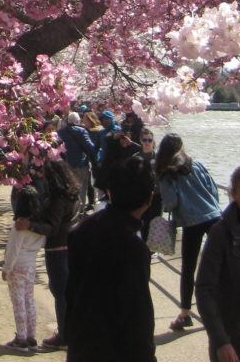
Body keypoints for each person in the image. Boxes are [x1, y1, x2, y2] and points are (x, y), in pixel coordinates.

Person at [65, 155, 156, 362]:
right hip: (114, 350)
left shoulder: (82, 231)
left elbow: (71, 293)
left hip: (81, 344)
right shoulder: (133, 247)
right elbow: (138, 315)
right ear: (150, 198)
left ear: (109, 192)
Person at [156, 132, 221, 331]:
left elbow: (170, 202)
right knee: (221, 263)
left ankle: (185, 314)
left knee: (189, 269)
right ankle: (223, 307)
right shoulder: (197, 165)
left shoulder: (167, 175)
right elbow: (213, 190)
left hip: (191, 223)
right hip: (214, 215)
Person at [15, 157, 79, 349]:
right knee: (67, 292)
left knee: (59, 292)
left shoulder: (57, 199)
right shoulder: (72, 194)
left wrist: (31, 225)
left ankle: (64, 335)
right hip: (70, 245)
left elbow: (52, 227)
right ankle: (69, 330)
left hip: (57, 248)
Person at [196, 164, 240, 362]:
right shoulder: (221, 233)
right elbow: (204, 289)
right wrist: (221, 341)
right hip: (233, 338)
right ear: (234, 194)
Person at [2, 185, 45, 353]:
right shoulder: (37, 227)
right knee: (29, 301)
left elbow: (13, 250)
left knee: (18, 302)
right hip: (31, 265)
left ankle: (21, 338)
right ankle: (31, 336)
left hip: (18, 266)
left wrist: (6, 268)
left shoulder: (19, 226)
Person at [58, 112, 97, 211]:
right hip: (81, 163)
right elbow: (90, 147)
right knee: (82, 188)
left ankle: (71, 210)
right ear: (77, 120)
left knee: (70, 187)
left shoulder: (61, 132)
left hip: (67, 164)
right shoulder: (81, 131)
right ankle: (80, 210)